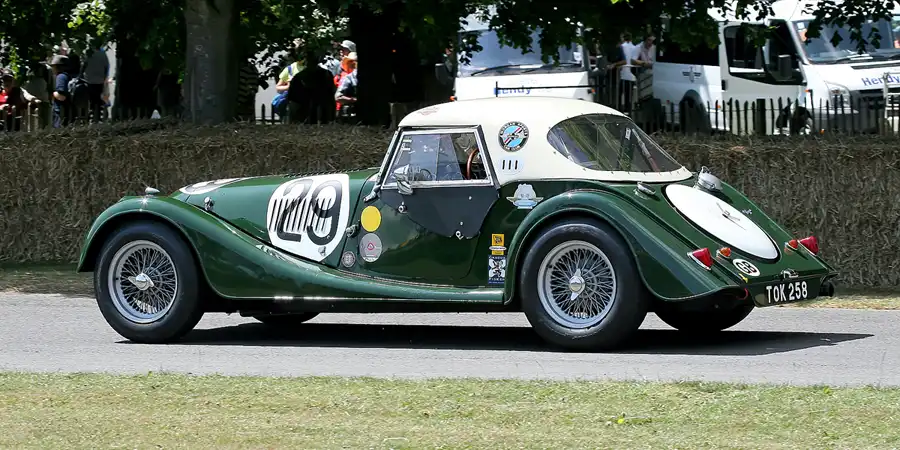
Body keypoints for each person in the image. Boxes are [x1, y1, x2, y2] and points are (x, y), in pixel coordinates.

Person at [83, 44, 110, 123]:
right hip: (99, 81)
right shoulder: (103, 54)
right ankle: (98, 118)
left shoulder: (88, 53)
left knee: (90, 100)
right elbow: (106, 67)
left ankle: (90, 117)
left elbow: (84, 65)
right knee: (98, 101)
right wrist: (104, 77)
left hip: (89, 81)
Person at [49, 55, 72, 128]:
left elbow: (61, 97)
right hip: (66, 113)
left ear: (58, 67)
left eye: (53, 66)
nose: (52, 68)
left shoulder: (61, 77)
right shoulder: (68, 76)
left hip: (60, 114)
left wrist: (52, 93)